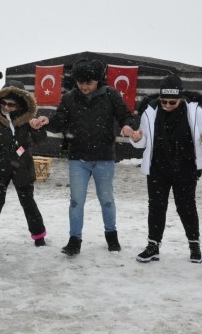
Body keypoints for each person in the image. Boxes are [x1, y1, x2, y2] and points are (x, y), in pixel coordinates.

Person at [46, 59, 137, 256]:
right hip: (78, 158)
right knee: (76, 201)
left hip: (104, 157)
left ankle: (111, 235)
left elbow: (125, 115)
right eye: (80, 82)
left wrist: (128, 124)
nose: (84, 87)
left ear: (97, 81)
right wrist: (47, 122)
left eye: (88, 83)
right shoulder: (69, 98)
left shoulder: (110, 95)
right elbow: (58, 123)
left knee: (106, 200)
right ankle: (74, 240)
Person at [128, 76, 202, 263]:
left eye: (172, 102)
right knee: (156, 207)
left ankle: (194, 245)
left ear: (181, 98)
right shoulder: (149, 111)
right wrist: (136, 137)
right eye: (164, 101)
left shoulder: (194, 110)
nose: (167, 105)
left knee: (186, 207)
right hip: (158, 167)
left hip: (186, 167)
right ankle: (153, 245)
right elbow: (142, 142)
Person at [0, 85, 48, 253]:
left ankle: (39, 235)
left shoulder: (27, 118)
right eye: (4, 103)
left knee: (27, 201)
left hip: (22, 164)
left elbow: (41, 140)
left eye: (11, 104)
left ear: (19, 105)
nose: (6, 107)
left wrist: (37, 129)